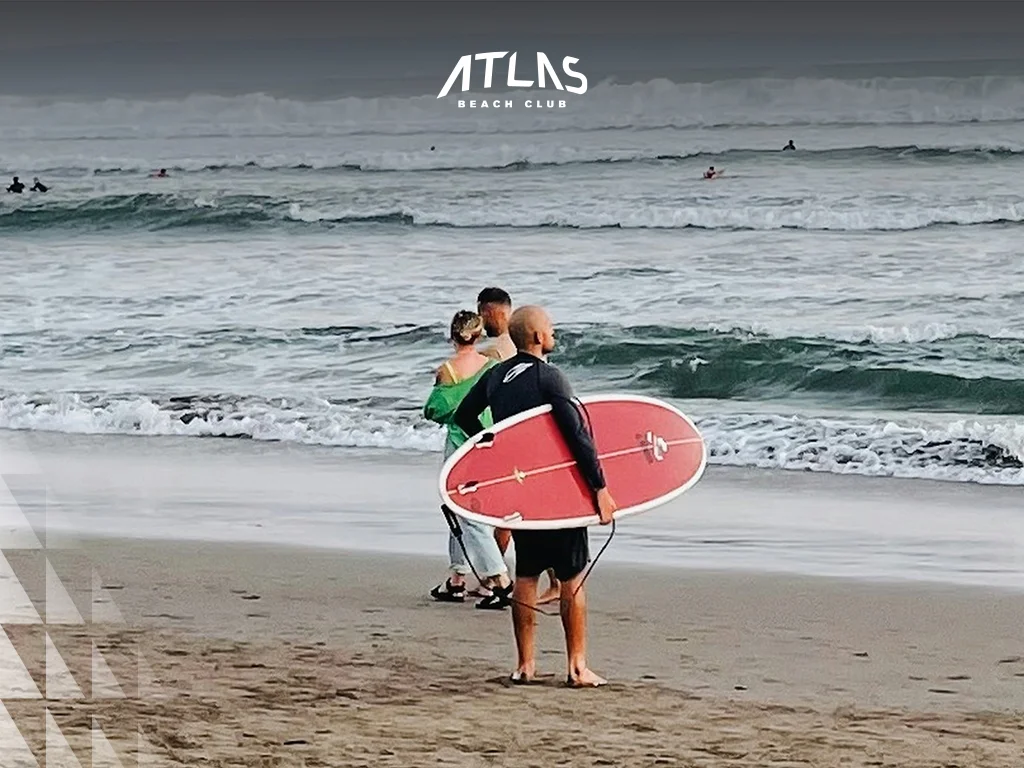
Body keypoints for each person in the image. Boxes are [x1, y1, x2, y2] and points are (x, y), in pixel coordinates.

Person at [454, 305, 617, 687]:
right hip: (558, 491)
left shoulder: (496, 377)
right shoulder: (550, 378)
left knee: (526, 573)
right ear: (538, 338)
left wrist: (492, 446)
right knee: (573, 575)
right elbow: (579, 437)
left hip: (520, 489)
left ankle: (525, 665)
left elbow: (463, 417)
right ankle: (577, 667)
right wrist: (600, 489)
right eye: (551, 329)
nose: (555, 334)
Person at [423, 310, 514, 610]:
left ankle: (498, 578)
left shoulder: (446, 370)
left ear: (452, 336)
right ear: (479, 335)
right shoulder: (492, 367)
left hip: (459, 443)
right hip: (487, 441)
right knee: (471, 507)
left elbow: (434, 410)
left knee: (462, 509)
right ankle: (457, 576)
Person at [476, 286, 560, 604]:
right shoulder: (526, 350)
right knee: (525, 515)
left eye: (485, 312)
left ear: (497, 311)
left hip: (520, 447)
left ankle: (494, 576)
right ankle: (502, 575)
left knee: (511, 516)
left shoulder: (498, 352)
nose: (483, 319)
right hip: (530, 444)